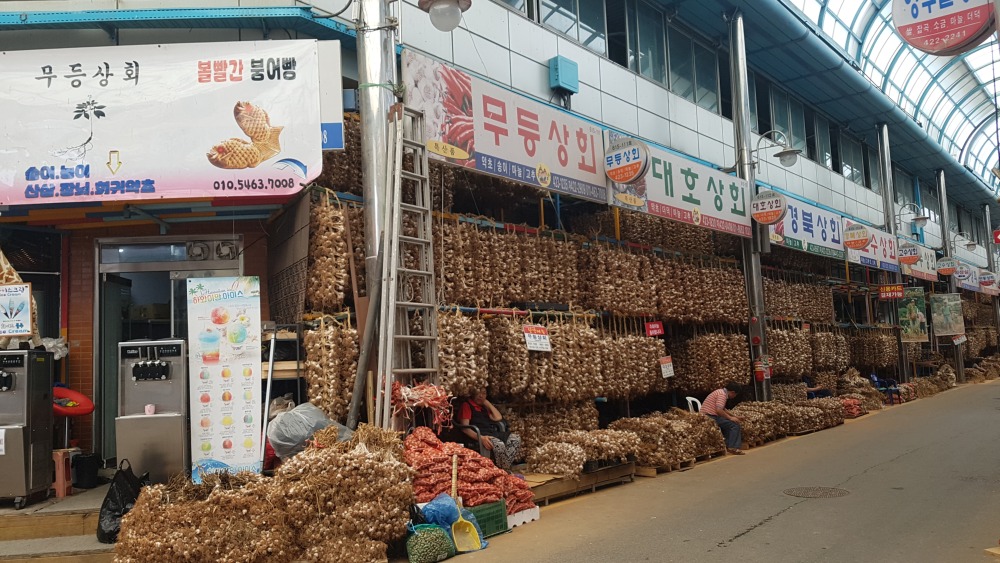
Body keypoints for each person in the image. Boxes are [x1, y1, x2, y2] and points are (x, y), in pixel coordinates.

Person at [457, 389, 522, 470]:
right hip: (479, 435)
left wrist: (486, 403)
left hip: (491, 433)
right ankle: (503, 470)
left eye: (483, 393)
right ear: (473, 393)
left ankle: (503, 468)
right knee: (499, 445)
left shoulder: (484, 407)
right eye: (478, 392)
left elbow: (498, 417)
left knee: (515, 439)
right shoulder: (467, 405)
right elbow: (465, 428)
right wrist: (481, 438)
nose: (480, 396)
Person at [701, 382, 745, 455]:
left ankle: (729, 445)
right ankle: (733, 447)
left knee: (730, 423)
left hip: (709, 415)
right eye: (735, 395)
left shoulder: (720, 392)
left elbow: (723, 409)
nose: (734, 396)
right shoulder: (722, 395)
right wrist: (731, 418)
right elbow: (719, 411)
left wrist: (734, 416)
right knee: (734, 425)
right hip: (709, 417)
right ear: (732, 392)